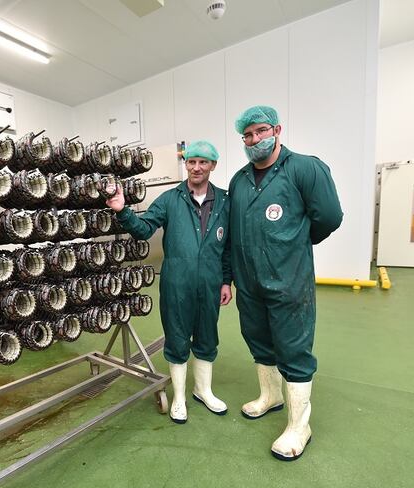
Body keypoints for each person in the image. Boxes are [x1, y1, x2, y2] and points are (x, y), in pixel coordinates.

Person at [228, 106, 343, 460]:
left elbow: (329, 217)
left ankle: (299, 426)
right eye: (247, 136)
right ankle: (270, 395)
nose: (254, 140)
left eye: (261, 131)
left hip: (288, 279)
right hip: (249, 280)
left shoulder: (305, 168)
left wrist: (291, 244)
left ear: (277, 129)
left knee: (293, 347)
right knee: (258, 338)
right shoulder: (239, 179)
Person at [106, 140, 232, 424]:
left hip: (210, 283)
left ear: (213, 165)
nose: (196, 167)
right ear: (185, 164)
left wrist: (226, 281)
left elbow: (229, 247)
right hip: (177, 283)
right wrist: (123, 210)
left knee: (207, 336)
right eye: (191, 162)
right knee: (177, 337)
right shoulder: (170, 199)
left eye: (202, 162)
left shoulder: (225, 201)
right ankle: (179, 397)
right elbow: (143, 229)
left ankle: (203, 390)